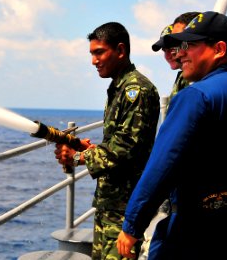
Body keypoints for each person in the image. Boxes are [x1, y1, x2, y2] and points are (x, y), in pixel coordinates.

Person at [116, 11, 227, 260]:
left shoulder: (196, 96)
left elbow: (163, 165)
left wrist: (133, 225)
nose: (180, 52)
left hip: (193, 235)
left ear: (219, 49)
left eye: (189, 45)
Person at [54, 22, 160, 259]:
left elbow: (126, 148)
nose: (94, 60)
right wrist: (87, 148)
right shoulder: (117, 88)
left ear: (121, 51)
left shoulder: (136, 90)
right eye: (92, 54)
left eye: (99, 52)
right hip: (110, 203)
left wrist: (78, 157)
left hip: (125, 206)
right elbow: (117, 140)